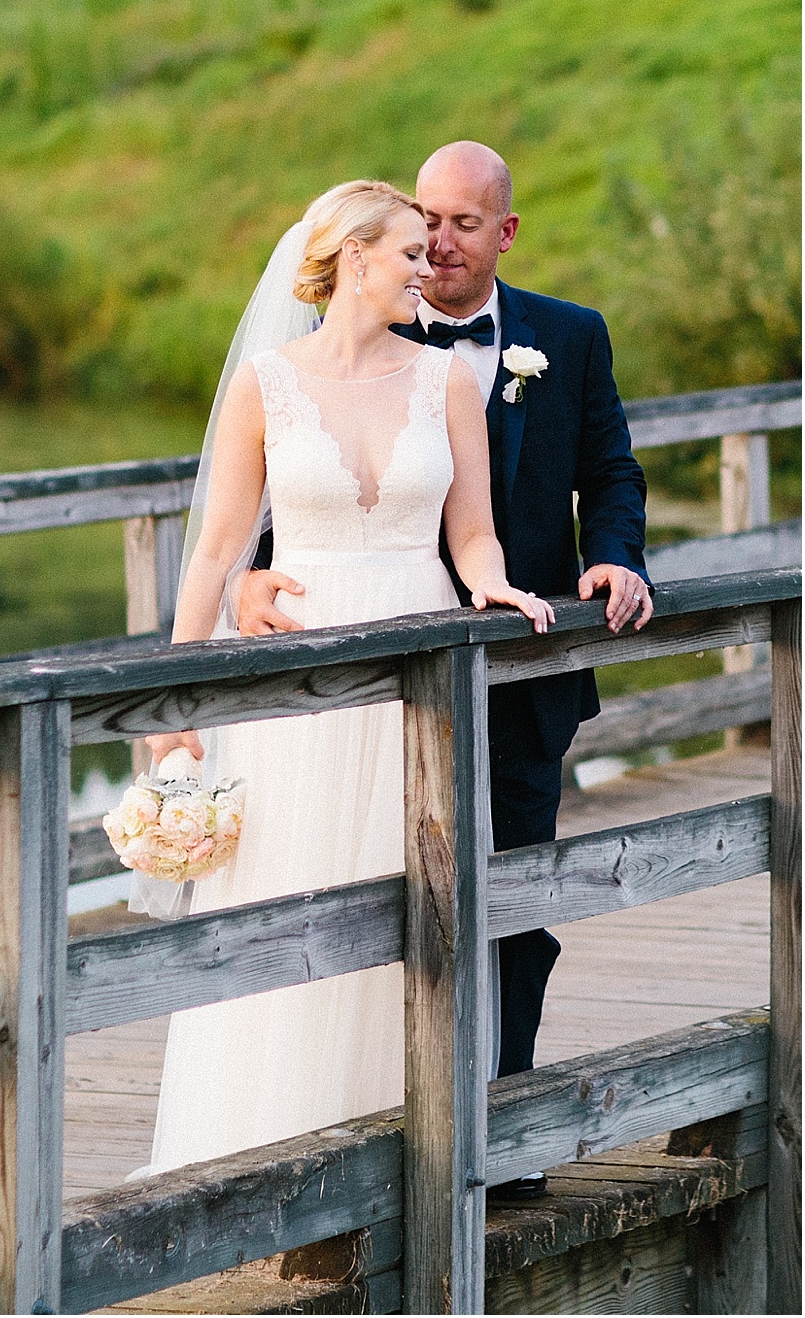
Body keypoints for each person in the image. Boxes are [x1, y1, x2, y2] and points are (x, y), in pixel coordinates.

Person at [238, 143, 653, 1198]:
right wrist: (249, 579)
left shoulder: (570, 335)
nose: (440, 242)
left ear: (504, 232)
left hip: (523, 671)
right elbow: (302, 478)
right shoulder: (373, 323)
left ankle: (500, 1134)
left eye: (465, 223)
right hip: (378, 674)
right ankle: (375, 1136)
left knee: (510, 905)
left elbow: (611, 470)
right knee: (369, 899)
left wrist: (615, 556)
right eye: (426, 219)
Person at [136, 180, 552, 1176]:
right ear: (354, 259)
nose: (427, 265)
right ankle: (258, 1156)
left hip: (418, 669)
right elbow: (215, 550)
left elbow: (473, 532)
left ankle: (409, 1158)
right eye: (408, 251)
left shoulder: (447, 381)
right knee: (289, 887)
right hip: (299, 683)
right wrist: (174, 698)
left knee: (416, 901)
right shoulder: (268, 384)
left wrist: (496, 586)